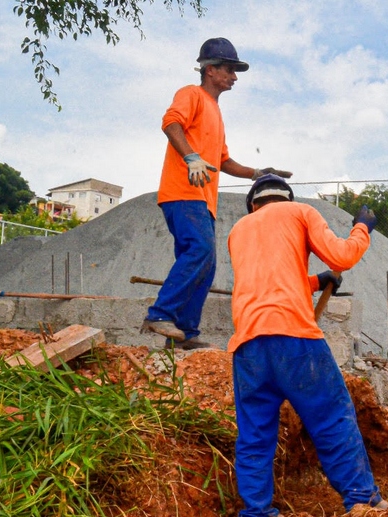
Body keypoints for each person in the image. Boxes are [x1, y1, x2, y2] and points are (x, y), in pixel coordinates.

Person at [227, 174, 388, 516]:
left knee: (254, 438)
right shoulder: (299, 211)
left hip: (249, 347)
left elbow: (269, 279)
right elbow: (341, 257)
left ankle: (256, 511)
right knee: (331, 419)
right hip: (295, 340)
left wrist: (315, 282)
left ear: (253, 205)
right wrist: (361, 228)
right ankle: (362, 500)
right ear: (286, 198)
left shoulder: (238, 231)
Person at [141, 37, 291, 349]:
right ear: (210, 70)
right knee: (200, 251)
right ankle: (159, 314)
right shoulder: (191, 94)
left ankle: (185, 335)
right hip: (183, 193)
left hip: (203, 201)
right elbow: (171, 124)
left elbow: (222, 161)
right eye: (230, 69)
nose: (234, 76)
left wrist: (256, 173)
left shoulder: (216, 112)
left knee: (206, 264)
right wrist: (191, 158)